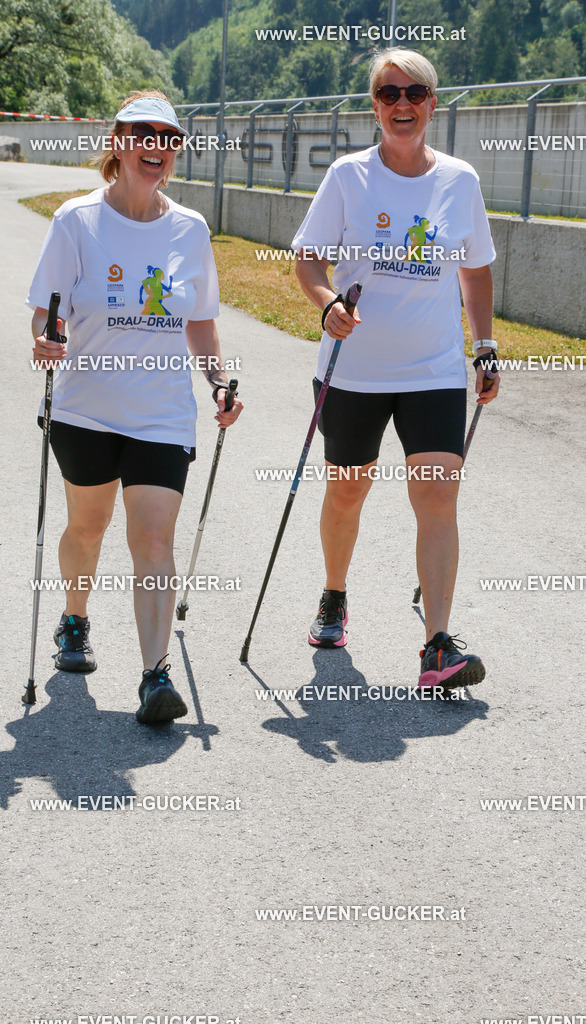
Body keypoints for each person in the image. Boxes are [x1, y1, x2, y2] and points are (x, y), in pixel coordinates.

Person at [27, 90, 243, 724]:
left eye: (168, 138)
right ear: (117, 140)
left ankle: (154, 675)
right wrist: (47, 337)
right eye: (143, 134)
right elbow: (47, 308)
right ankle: (74, 617)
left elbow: (200, 321)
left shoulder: (189, 229)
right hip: (85, 410)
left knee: (152, 537)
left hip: (162, 414)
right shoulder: (76, 221)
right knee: (86, 529)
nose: (156, 148)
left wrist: (219, 381)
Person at [292, 48, 500, 691]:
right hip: (353, 369)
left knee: (438, 495)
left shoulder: (459, 180)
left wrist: (484, 346)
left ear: (433, 103)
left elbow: (475, 269)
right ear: (375, 106)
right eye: (389, 94)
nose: (402, 103)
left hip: (433, 369)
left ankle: (437, 644)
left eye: (415, 92)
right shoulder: (349, 177)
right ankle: (333, 594)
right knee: (348, 489)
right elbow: (307, 262)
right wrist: (327, 304)